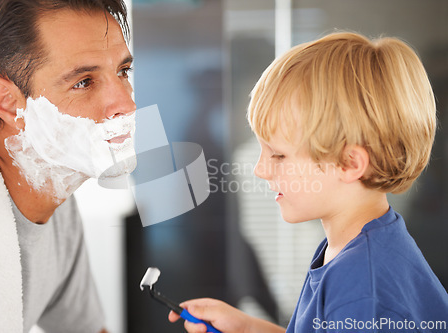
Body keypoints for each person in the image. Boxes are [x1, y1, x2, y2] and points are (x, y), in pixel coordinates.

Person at [169, 32, 448, 332]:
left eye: (278, 156)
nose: (260, 170)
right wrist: (246, 327)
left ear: (350, 163)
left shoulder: (363, 293)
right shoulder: (348, 249)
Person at [0, 0, 135, 332]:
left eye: (123, 71)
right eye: (84, 82)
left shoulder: (57, 200)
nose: (126, 103)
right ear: (9, 104)